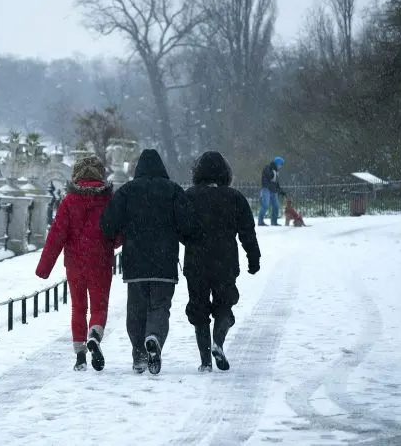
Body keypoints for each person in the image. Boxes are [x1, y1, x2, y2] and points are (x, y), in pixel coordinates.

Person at [100, 149, 197, 375]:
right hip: (165, 262)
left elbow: (107, 224)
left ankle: (139, 354)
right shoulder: (173, 190)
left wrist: (124, 231)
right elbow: (188, 225)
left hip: (135, 262)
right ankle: (154, 337)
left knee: (136, 309)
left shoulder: (127, 191)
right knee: (160, 307)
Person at [36, 156, 120, 372]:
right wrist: (112, 243)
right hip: (101, 262)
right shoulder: (108, 199)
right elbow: (118, 234)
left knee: (78, 307)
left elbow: (56, 236)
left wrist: (44, 268)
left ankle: (80, 356)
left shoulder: (69, 201)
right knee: (99, 307)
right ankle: (95, 335)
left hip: (75, 264)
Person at [182, 151, 260, 372]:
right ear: (225, 172)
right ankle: (218, 342)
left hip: (196, 261)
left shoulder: (189, 197)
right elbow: (247, 232)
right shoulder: (234, 198)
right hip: (225, 261)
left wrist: (191, 240)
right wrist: (253, 258)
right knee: (224, 304)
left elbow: (180, 228)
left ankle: (205, 361)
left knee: (199, 308)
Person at [258, 156, 286, 226]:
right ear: (277, 163)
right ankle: (260, 222)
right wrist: (269, 186)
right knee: (265, 205)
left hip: (273, 191)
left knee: (276, 206)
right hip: (266, 189)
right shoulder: (268, 168)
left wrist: (281, 192)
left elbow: (276, 184)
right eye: (280, 164)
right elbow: (265, 179)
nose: (281, 166)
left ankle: (274, 222)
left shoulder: (276, 171)